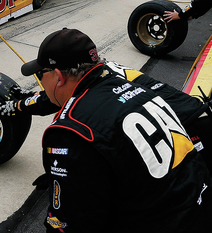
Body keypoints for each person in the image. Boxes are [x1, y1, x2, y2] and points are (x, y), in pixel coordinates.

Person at [16, 28, 211, 232]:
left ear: (58, 76)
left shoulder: (72, 130)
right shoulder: (130, 86)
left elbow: (70, 223)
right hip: (200, 205)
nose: (41, 82)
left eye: (40, 75)